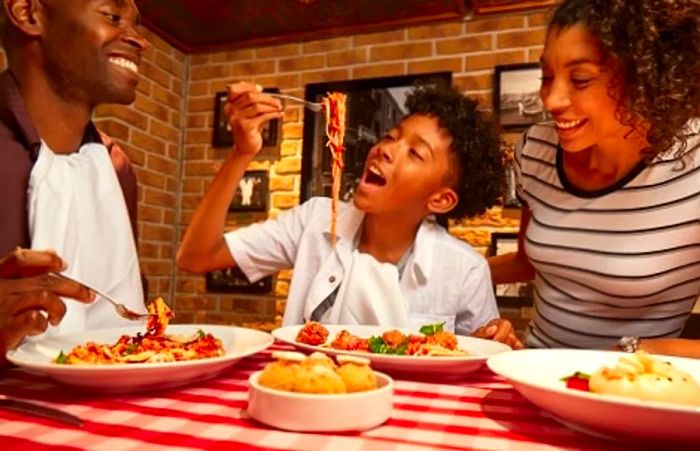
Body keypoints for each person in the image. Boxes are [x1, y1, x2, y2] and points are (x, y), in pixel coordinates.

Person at [178, 81, 522, 348]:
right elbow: (196, 257)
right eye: (391, 136)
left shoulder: (464, 269)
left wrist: (494, 337)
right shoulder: (314, 220)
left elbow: (478, 357)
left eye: (415, 153)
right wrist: (241, 153)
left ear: (441, 199)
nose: (385, 149)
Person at [488, 0, 700, 357]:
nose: (552, 99)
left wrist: (636, 353)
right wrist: (440, 271)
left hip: (632, 391)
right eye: (547, 76)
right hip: (535, 371)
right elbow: (526, 261)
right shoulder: (536, 148)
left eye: (581, 79)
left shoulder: (693, 165)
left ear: (645, 77)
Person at [0, 0, 149, 355]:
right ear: (28, 13)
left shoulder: (116, 170)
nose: (140, 40)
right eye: (113, 16)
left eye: (136, 24)